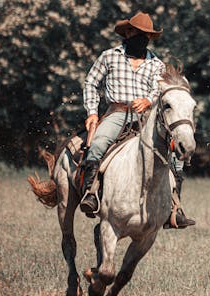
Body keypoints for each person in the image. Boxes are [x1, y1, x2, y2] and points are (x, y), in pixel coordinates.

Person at [80, 12, 195, 228]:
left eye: (146, 35)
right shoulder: (109, 56)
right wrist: (92, 112)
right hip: (117, 113)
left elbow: (159, 91)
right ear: (127, 32)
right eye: (137, 32)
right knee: (98, 143)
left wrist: (149, 101)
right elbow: (90, 83)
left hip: (147, 117)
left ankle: (174, 209)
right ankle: (91, 194)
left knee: (177, 157)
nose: (141, 37)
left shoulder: (157, 65)